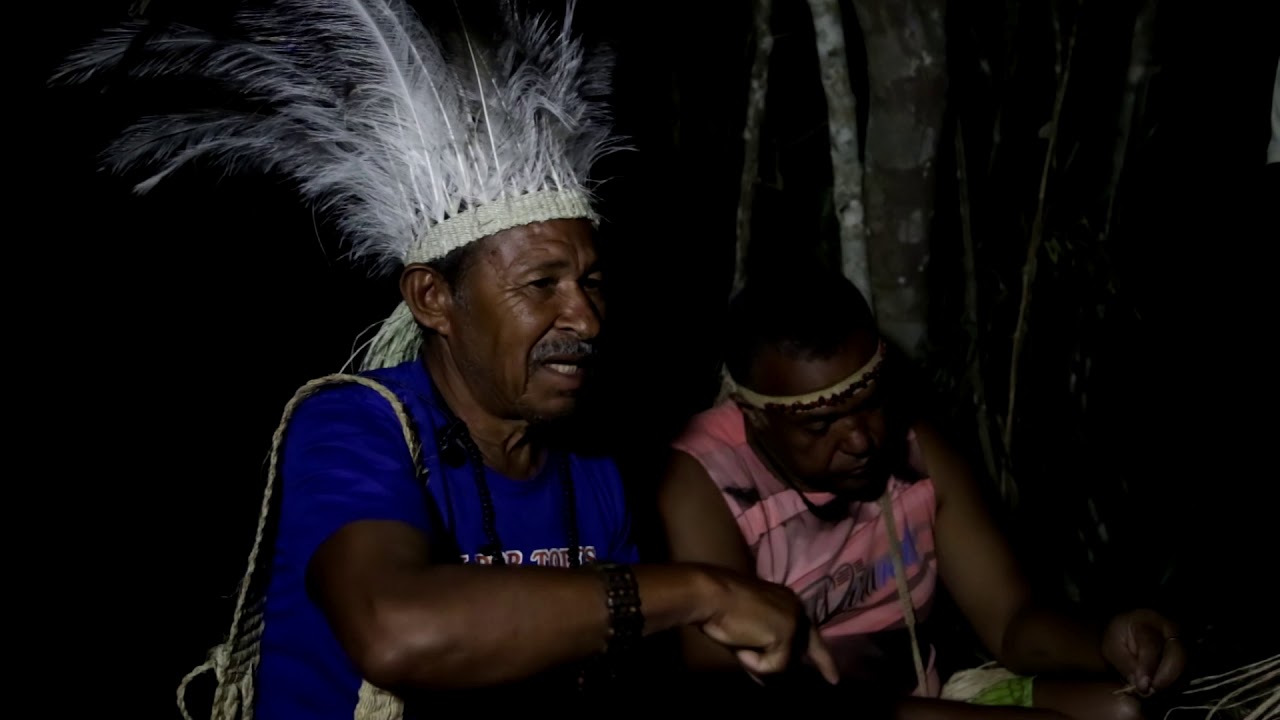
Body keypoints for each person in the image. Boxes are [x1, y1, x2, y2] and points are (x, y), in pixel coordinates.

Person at [53, 1, 837, 717]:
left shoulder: (588, 460)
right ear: (434, 299)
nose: (586, 315)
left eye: (593, 280)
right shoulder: (355, 424)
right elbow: (396, 633)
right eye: (542, 284)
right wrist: (699, 591)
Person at [657, 267, 1187, 719]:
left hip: (921, 698)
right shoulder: (701, 482)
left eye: (870, 403)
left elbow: (1010, 623)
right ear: (753, 414)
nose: (862, 439)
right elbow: (727, 693)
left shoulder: (916, 451)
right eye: (821, 426)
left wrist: (1109, 641)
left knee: (1120, 710)